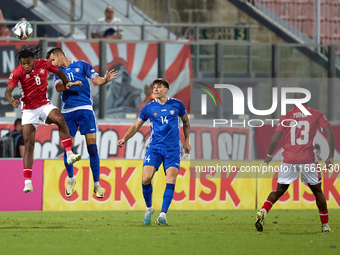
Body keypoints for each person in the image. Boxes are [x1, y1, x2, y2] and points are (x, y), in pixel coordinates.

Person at [5, 43, 82, 193]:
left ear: (34, 59)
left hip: (44, 105)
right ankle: (28, 182)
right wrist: (12, 101)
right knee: (29, 144)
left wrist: (67, 84)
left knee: (60, 119)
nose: (26, 66)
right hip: (28, 110)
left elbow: (59, 72)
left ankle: (69, 153)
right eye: (23, 63)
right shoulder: (17, 72)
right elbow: (8, 92)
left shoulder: (44, 64)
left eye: (28, 62)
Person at [255, 93, 334, 233]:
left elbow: (274, 138)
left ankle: (263, 211)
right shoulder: (316, 114)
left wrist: (268, 155)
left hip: (289, 159)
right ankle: (325, 226)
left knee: (279, 190)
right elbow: (330, 132)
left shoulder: (287, 116)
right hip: (308, 159)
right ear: (307, 101)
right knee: (317, 191)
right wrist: (330, 156)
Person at [46, 47, 118, 198]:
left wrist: (104, 80)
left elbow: (96, 80)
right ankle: (71, 179)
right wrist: (69, 84)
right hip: (68, 112)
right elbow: (58, 87)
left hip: (85, 109)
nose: (51, 63)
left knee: (92, 149)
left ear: (60, 55)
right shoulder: (57, 71)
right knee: (68, 149)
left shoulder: (82, 65)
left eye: (52, 60)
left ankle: (97, 185)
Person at [117, 78, 191, 225]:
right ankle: (149, 208)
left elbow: (186, 122)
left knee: (171, 179)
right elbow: (136, 126)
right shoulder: (148, 108)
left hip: (172, 150)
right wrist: (124, 138)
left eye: (159, 87)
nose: (156, 89)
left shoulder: (177, 104)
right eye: (154, 87)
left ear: (166, 89)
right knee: (146, 178)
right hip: (155, 148)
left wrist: (187, 140)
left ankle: (163, 214)